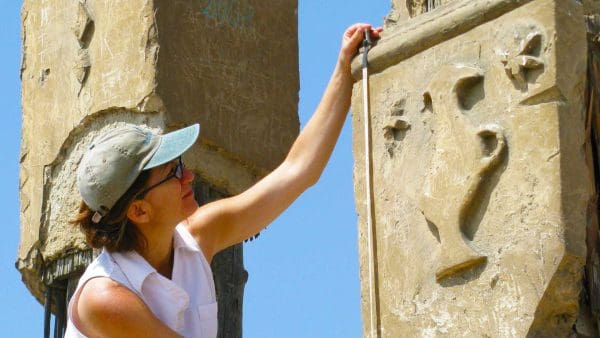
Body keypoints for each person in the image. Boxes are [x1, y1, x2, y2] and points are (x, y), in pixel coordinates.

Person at [64, 23, 382, 337]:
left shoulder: (199, 234)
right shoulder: (103, 298)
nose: (188, 176)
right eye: (173, 173)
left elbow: (298, 171)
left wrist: (344, 70)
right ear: (139, 211)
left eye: (181, 164)